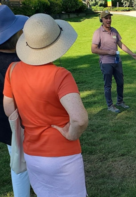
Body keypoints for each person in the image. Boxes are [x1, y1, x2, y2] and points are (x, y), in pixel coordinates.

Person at [3, 13, 89, 197]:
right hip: (63, 153)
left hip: (32, 152)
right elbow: (80, 120)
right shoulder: (60, 75)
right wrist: (70, 133)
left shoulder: (13, 70)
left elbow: (9, 109)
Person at [0, 5, 30, 197]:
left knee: (17, 161)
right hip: (27, 122)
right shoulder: (24, 61)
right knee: (23, 165)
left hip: (6, 125)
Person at [91, 10, 136, 113]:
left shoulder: (114, 31)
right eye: (106, 18)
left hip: (117, 61)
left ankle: (120, 102)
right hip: (106, 62)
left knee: (120, 82)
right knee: (108, 85)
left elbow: (120, 44)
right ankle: (110, 105)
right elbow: (93, 49)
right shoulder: (98, 32)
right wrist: (108, 52)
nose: (108, 20)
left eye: (109, 18)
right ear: (102, 19)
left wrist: (132, 53)